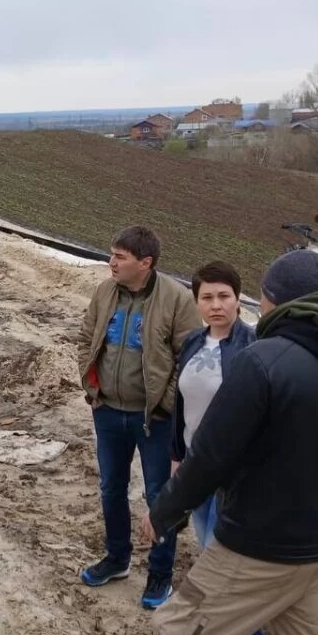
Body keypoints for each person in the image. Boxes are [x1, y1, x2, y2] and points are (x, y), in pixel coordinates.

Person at [125, 250, 318, 635]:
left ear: (271, 299)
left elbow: (212, 454)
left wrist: (165, 511)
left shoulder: (261, 361)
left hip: (258, 548)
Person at [77, 226, 202, 609]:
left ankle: (160, 576)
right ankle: (117, 559)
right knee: (111, 488)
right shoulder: (105, 292)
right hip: (108, 411)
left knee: (159, 497)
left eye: (120, 256)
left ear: (145, 263)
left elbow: (190, 355)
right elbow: (86, 338)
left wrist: (164, 402)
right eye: (111, 254)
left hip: (156, 420)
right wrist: (92, 386)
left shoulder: (177, 300)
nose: (110, 262)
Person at [170, 261, 269, 635]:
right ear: (196, 302)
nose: (216, 305)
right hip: (197, 467)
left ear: (237, 298)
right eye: (207, 297)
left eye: (223, 296)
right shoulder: (194, 342)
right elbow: (181, 403)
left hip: (234, 474)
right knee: (209, 554)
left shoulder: (253, 346)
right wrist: (178, 455)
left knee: (221, 562)